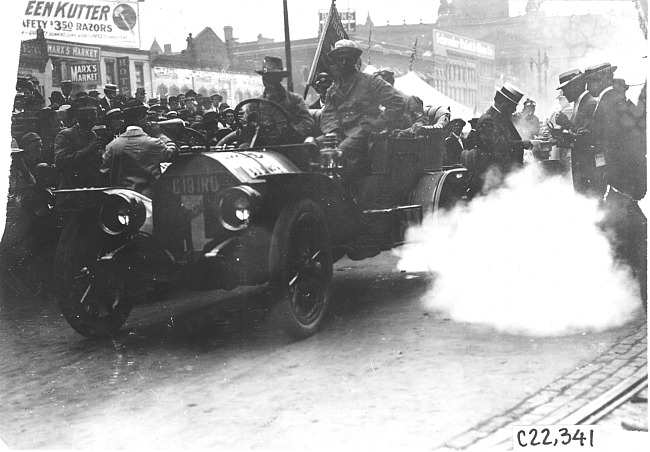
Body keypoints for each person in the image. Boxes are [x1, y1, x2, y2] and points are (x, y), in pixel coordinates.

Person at [320, 40, 405, 176]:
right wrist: (333, 132)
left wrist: (375, 124)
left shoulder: (371, 81)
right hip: (340, 132)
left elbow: (397, 102)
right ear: (334, 61)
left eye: (347, 58)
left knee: (340, 152)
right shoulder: (333, 89)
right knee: (312, 147)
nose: (343, 63)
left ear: (355, 60)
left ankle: (342, 192)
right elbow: (329, 114)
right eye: (339, 59)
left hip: (365, 133)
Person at [219, 56, 315, 147]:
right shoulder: (254, 104)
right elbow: (244, 126)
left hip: (286, 148)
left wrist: (292, 130)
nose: (267, 79)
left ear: (280, 78)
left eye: (272, 76)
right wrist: (246, 131)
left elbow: (308, 122)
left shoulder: (294, 100)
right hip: (260, 148)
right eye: (265, 76)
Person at [100, 100, 179, 197]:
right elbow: (172, 151)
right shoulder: (153, 143)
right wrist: (159, 134)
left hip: (123, 200)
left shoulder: (112, 146)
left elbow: (104, 172)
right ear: (142, 118)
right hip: (150, 199)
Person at [472, 83, 532, 196]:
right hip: (491, 177)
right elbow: (497, 145)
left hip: (502, 175)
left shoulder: (500, 119)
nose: (514, 110)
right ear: (504, 104)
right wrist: (522, 144)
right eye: (513, 106)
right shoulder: (488, 120)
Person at [53, 97, 109, 210]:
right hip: (72, 197)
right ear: (80, 116)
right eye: (91, 114)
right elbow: (60, 161)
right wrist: (88, 150)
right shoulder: (65, 135)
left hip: (92, 196)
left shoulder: (93, 135)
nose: (94, 118)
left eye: (95, 114)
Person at [553, 68, 598, 197]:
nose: (564, 92)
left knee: (588, 198)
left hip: (588, 165)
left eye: (566, 88)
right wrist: (559, 138)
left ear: (577, 85)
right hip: (581, 164)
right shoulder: (580, 104)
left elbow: (587, 137)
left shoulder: (590, 103)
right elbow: (576, 136)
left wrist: (566, 124)